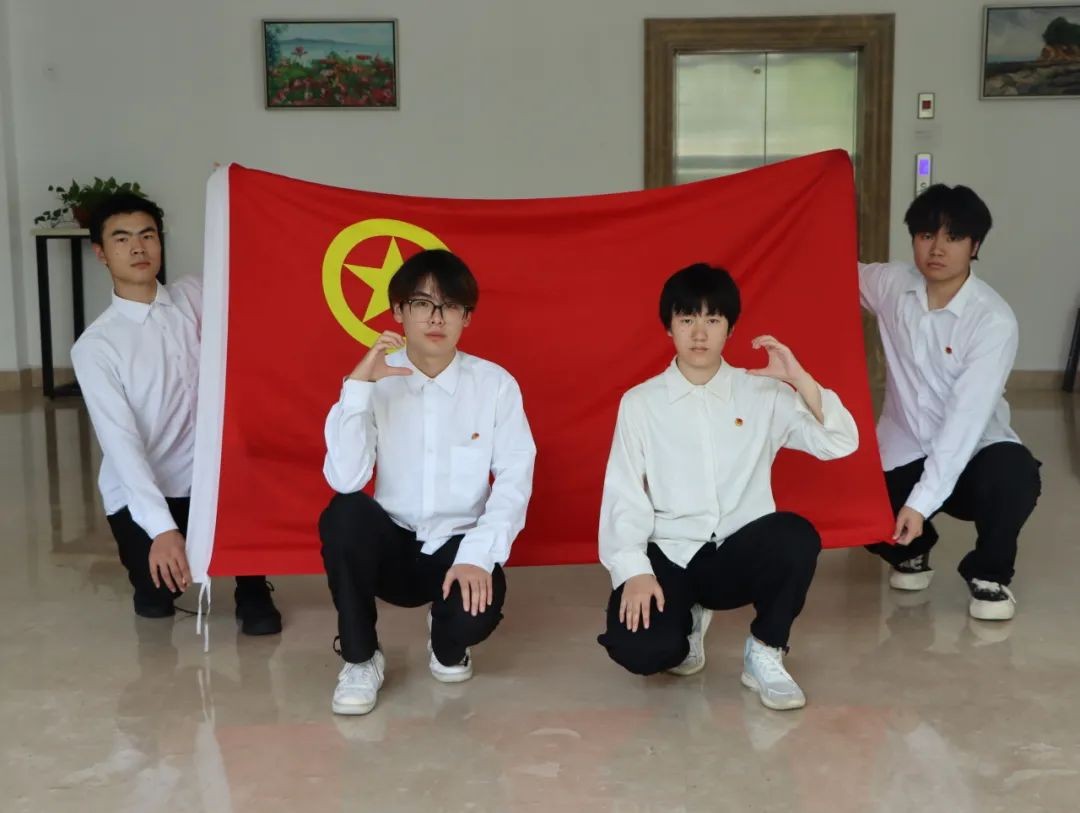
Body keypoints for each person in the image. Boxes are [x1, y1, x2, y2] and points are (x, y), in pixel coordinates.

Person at [596, 263, 859, 710]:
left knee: (796, 535)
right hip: (672, 551)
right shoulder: (640, 403)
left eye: (713, 320)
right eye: (687, 319)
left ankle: (765, 650)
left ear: (730, 328)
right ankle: (687, 622)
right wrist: (634, 571)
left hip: (737, 552)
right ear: (669, 327)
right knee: (643, 651)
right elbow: (624, 493)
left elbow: (839, 442)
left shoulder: (761, 393)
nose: (699, 333)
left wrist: (800, 380)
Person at [319, 249, 536, 715]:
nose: (436, 318)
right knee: (344, 514)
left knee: (474, 615)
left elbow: (515, 479)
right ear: (398, 311)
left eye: (450, 306)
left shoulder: (494, 384)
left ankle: (447, 640)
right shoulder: (376, 381)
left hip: (459, 546)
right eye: (422, 304)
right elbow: (345, 477)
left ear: (466, 317)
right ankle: (360, 658)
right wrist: (357, 389)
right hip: (394, 547)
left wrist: (479, 555)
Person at [72, 193, 282, 634]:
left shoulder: (194, 295)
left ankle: (251, 585)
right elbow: (123, 449)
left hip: (215, 480)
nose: (138, 248)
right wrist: (163, 531)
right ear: (101, 254)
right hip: (148, 488)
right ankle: (160, 553)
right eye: (122, 239)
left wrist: (235, 197)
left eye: (147, 235)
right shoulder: (96, 347)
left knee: (261, 620)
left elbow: (251, 263)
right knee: (156, 602)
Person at [859, 184, 1041, 621]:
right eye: (926, 235)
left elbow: (964, 423)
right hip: (905, 445)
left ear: (974, 246)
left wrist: (920, 504)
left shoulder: (992, 320)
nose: (937, 249)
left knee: (1015, 476)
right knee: (854, 497)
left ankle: (990, 574)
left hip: (975, 453)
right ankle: (913, 550)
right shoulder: (891, 285)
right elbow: (827, 267)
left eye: (954, 237)